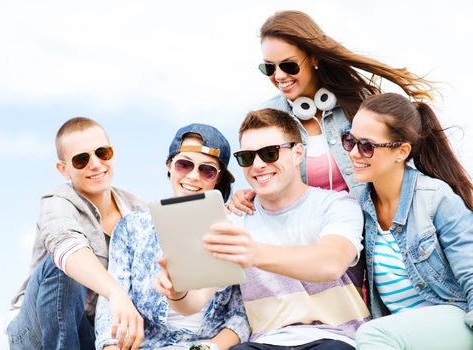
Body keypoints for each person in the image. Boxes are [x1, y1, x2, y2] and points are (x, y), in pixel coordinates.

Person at [157, 109, 370, 350]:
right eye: (247, 157)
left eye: (269, 153)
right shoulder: (234, 220)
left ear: (298, 153)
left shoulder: (336, 205)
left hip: (335, 338)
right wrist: (176, 291)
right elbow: (194, 301)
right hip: (265, 342)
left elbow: (331, 263)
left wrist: (255, 253)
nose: (257, 165)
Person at [229, 9, 434, 213]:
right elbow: (263, 171)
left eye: (289, 66)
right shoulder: (268, 118)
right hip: (306, 235)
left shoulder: (360, 105)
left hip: (367, 230)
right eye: (269, 68)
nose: (279, 76)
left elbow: (396, 160)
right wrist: (247, 194)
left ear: (314, 58)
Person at [95, 123, 250, 350]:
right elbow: (110, 307)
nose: (193, 176)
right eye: (184, 165)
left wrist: (209, 348)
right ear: (170, 166)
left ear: (217, 178)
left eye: (206, 170)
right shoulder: (132, 229)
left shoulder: (232, 228)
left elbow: (241, 315)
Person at [340, 93, 473, 349]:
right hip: (402, 334)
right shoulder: (358, 205)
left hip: (455, 321)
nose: (354, 153)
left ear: (401, 151)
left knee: (370, 336)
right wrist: (255, 196)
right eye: (350, 140)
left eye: (367, 145)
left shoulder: (435, 199)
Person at [6, 117, 147, 350]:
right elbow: (66, 246)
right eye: (81, 159)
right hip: (35, 331)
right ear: (64, 169)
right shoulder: (56, 203)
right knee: (63, 265)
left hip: (92, 331)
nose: (95, 164)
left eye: (103, 153)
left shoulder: (139, 210)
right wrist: (116, 293)